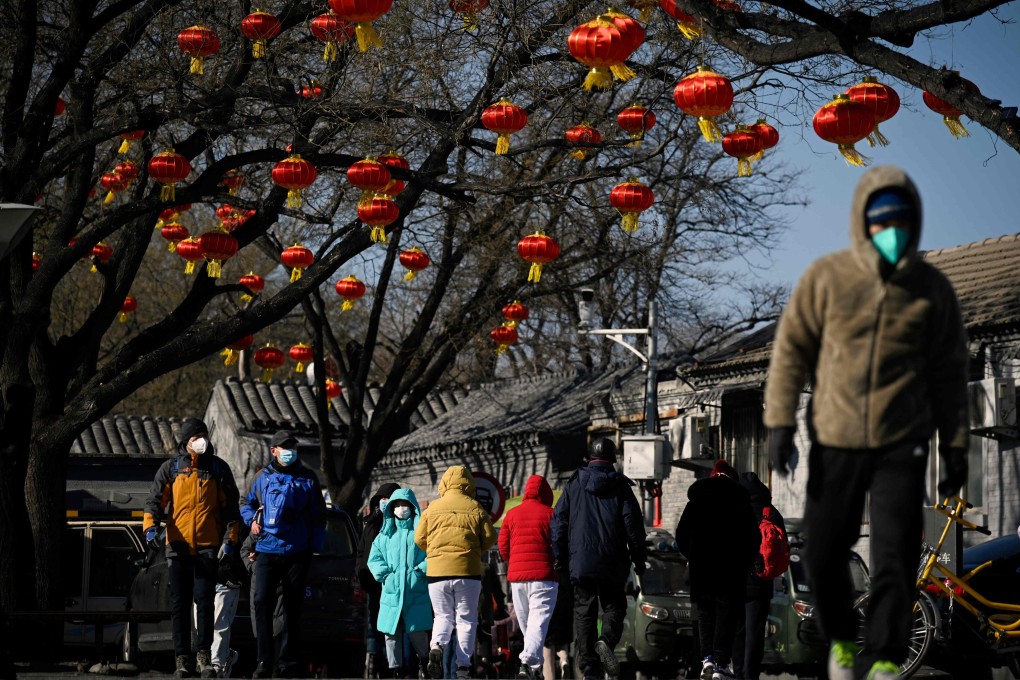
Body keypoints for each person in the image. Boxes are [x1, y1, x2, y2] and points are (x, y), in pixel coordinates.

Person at [764, 165, 970, 680]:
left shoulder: (931, 290)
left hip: (904, 439)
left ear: (914, 222)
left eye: (901, 220)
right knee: (825, 546)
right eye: (882, 221)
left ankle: (881, 655)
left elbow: (950, 373)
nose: (892, 230)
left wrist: (958, 447)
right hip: (836, 435)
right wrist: (778, 422)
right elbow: (791, 350)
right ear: (863, 222)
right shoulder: (828, 278)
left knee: (897, 552)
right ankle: (839, 639)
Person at [144, 418, 241, 678]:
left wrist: (230, 541)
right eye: (196, 436)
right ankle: (182, 660)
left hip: (209, 547)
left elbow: (232, 510)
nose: (202, 440)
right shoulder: (171, 469)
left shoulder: (218, 469)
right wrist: (150, 529)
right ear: (185, 442)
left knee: (205, 602)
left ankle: (204, 657)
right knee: (179, 605)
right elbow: (153, 502)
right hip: (177, 546)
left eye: (203, 435)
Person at [550, 438, 647, 680]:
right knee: (615, 606)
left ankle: (590, 667)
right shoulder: (621, 487)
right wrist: (639, 559)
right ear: (613, 459)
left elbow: (558, 522)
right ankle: (606, 640)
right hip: (613, 563)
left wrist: (560, 557)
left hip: (581, 562)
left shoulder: (573, 485)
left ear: (589, 458)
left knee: (584, 612)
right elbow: (633, 527)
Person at [240, 430, 327, 679]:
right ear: (273, 451)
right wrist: (251, 522)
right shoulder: (261, 478)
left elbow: (318, 515)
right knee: (261, 602)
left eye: (292, 446)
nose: (289, 450)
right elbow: (245, 503)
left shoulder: (308, 478)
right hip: (267, 549)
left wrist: (315, 545)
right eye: (284, 446)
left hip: (297, 551)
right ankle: (263, 660)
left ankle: (287, 662)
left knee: (291, 607)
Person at [675, 459, 758, 680]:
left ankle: (707, 660)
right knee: (726, 614)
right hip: (730, 570)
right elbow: (754, 537)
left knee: (705, 613)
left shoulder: (696, 500)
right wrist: (746, 561)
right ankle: (721, 664)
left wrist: (693, 555)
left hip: (702, 569)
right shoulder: (740, 501)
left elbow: (681, 535)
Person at [414, 465, 498, 680]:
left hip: (437, 572)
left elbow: (419, 538)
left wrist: (435, 551)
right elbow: (490, 538)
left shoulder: (432, 508)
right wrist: (475, 549)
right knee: (466, 620)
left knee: (443, 616)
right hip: (468, 571)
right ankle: (462, 668)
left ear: (444, 484)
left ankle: (438, 646)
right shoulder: (476, 508)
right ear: (469, 484)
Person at [368, 488, 433, 679]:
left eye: (405, 505)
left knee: (418, 633)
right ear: (391, 509)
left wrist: (421, 570)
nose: (401, 508)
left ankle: (424, 664)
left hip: (416, 592)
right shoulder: (385, 535)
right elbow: (374, 558)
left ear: (413, 508)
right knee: (391, 635)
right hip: (392, 593)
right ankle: (395, 670)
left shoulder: (421, 535)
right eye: (397, 505)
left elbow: (434, 554)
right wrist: (385, 575)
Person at [498, 474, 558, 680]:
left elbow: (503, 546)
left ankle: (533, 667)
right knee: (538, 622)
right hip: (544, 576)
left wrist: (513, 562)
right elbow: (559, 544)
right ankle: (527, 662)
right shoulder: (551, 514)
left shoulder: (512, 514)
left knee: (527, 624)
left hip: (517, 579)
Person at [731, 471, 786, 680]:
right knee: (755, 634)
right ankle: (751, 675)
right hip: (761, 582)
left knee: (738, 632)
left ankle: (738, 674)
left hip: (735, 581)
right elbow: (783, 547)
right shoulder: (770, 512)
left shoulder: (734, 510)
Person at [360, 482, 402, 678]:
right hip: (372, 585)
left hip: (392, 585)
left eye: (388, 499)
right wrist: (361, 574)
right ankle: (375, 663)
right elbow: (362, 553)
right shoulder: (370, 523)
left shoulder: (400, 524)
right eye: (381, 499)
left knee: (393, 628)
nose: (384, 502)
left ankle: (393, 666)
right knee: (375, 626)